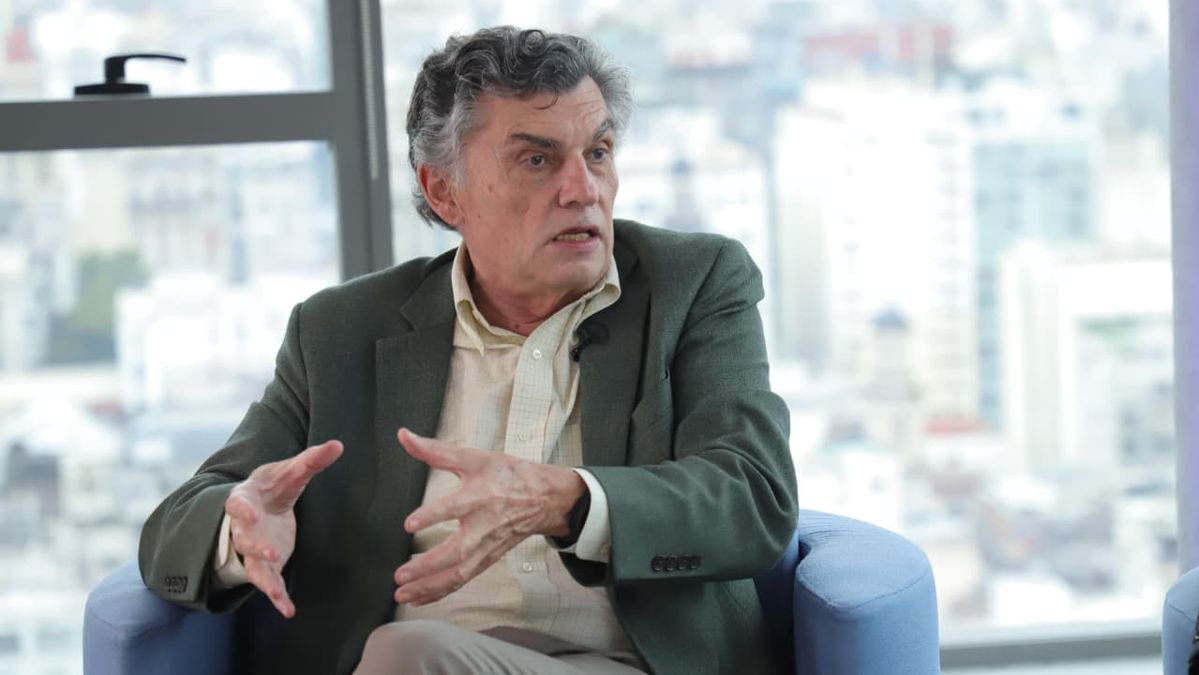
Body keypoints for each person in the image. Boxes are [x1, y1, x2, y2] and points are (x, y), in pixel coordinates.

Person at [138, 25, 797, 675]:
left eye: (598, 152)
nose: (583, 189)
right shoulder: (340, 330)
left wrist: (562, 500)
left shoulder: (694, 283)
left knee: (407, 655)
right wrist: (239, 530)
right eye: (537, 160)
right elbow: (182, 521)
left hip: (626, 664)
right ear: (443, 191)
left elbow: (753, 497)